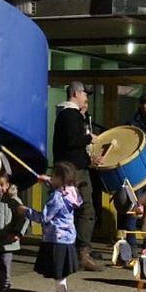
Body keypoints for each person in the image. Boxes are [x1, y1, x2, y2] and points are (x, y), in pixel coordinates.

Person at [51, 81, 98, 264]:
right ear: (76, 94)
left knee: (67, 210)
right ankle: (83, 252)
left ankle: (70, 250)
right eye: (85, 94)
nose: (86, 98)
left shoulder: (66, 114)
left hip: (69, 167)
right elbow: (72, 141)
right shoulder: (70, 115)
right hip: (74, 170)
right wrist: (89, 138)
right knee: (86, 209)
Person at [34, 163, 83, 292]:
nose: (52, 178)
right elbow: (60, 187)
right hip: (68, 239)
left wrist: (25, 211)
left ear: (60, 178)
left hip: (56, 239)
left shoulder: (56, 197)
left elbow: (44, 217)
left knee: (59, 276)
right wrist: (48, 180)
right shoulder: (72, 191)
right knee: (62, 276)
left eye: (54, 175)